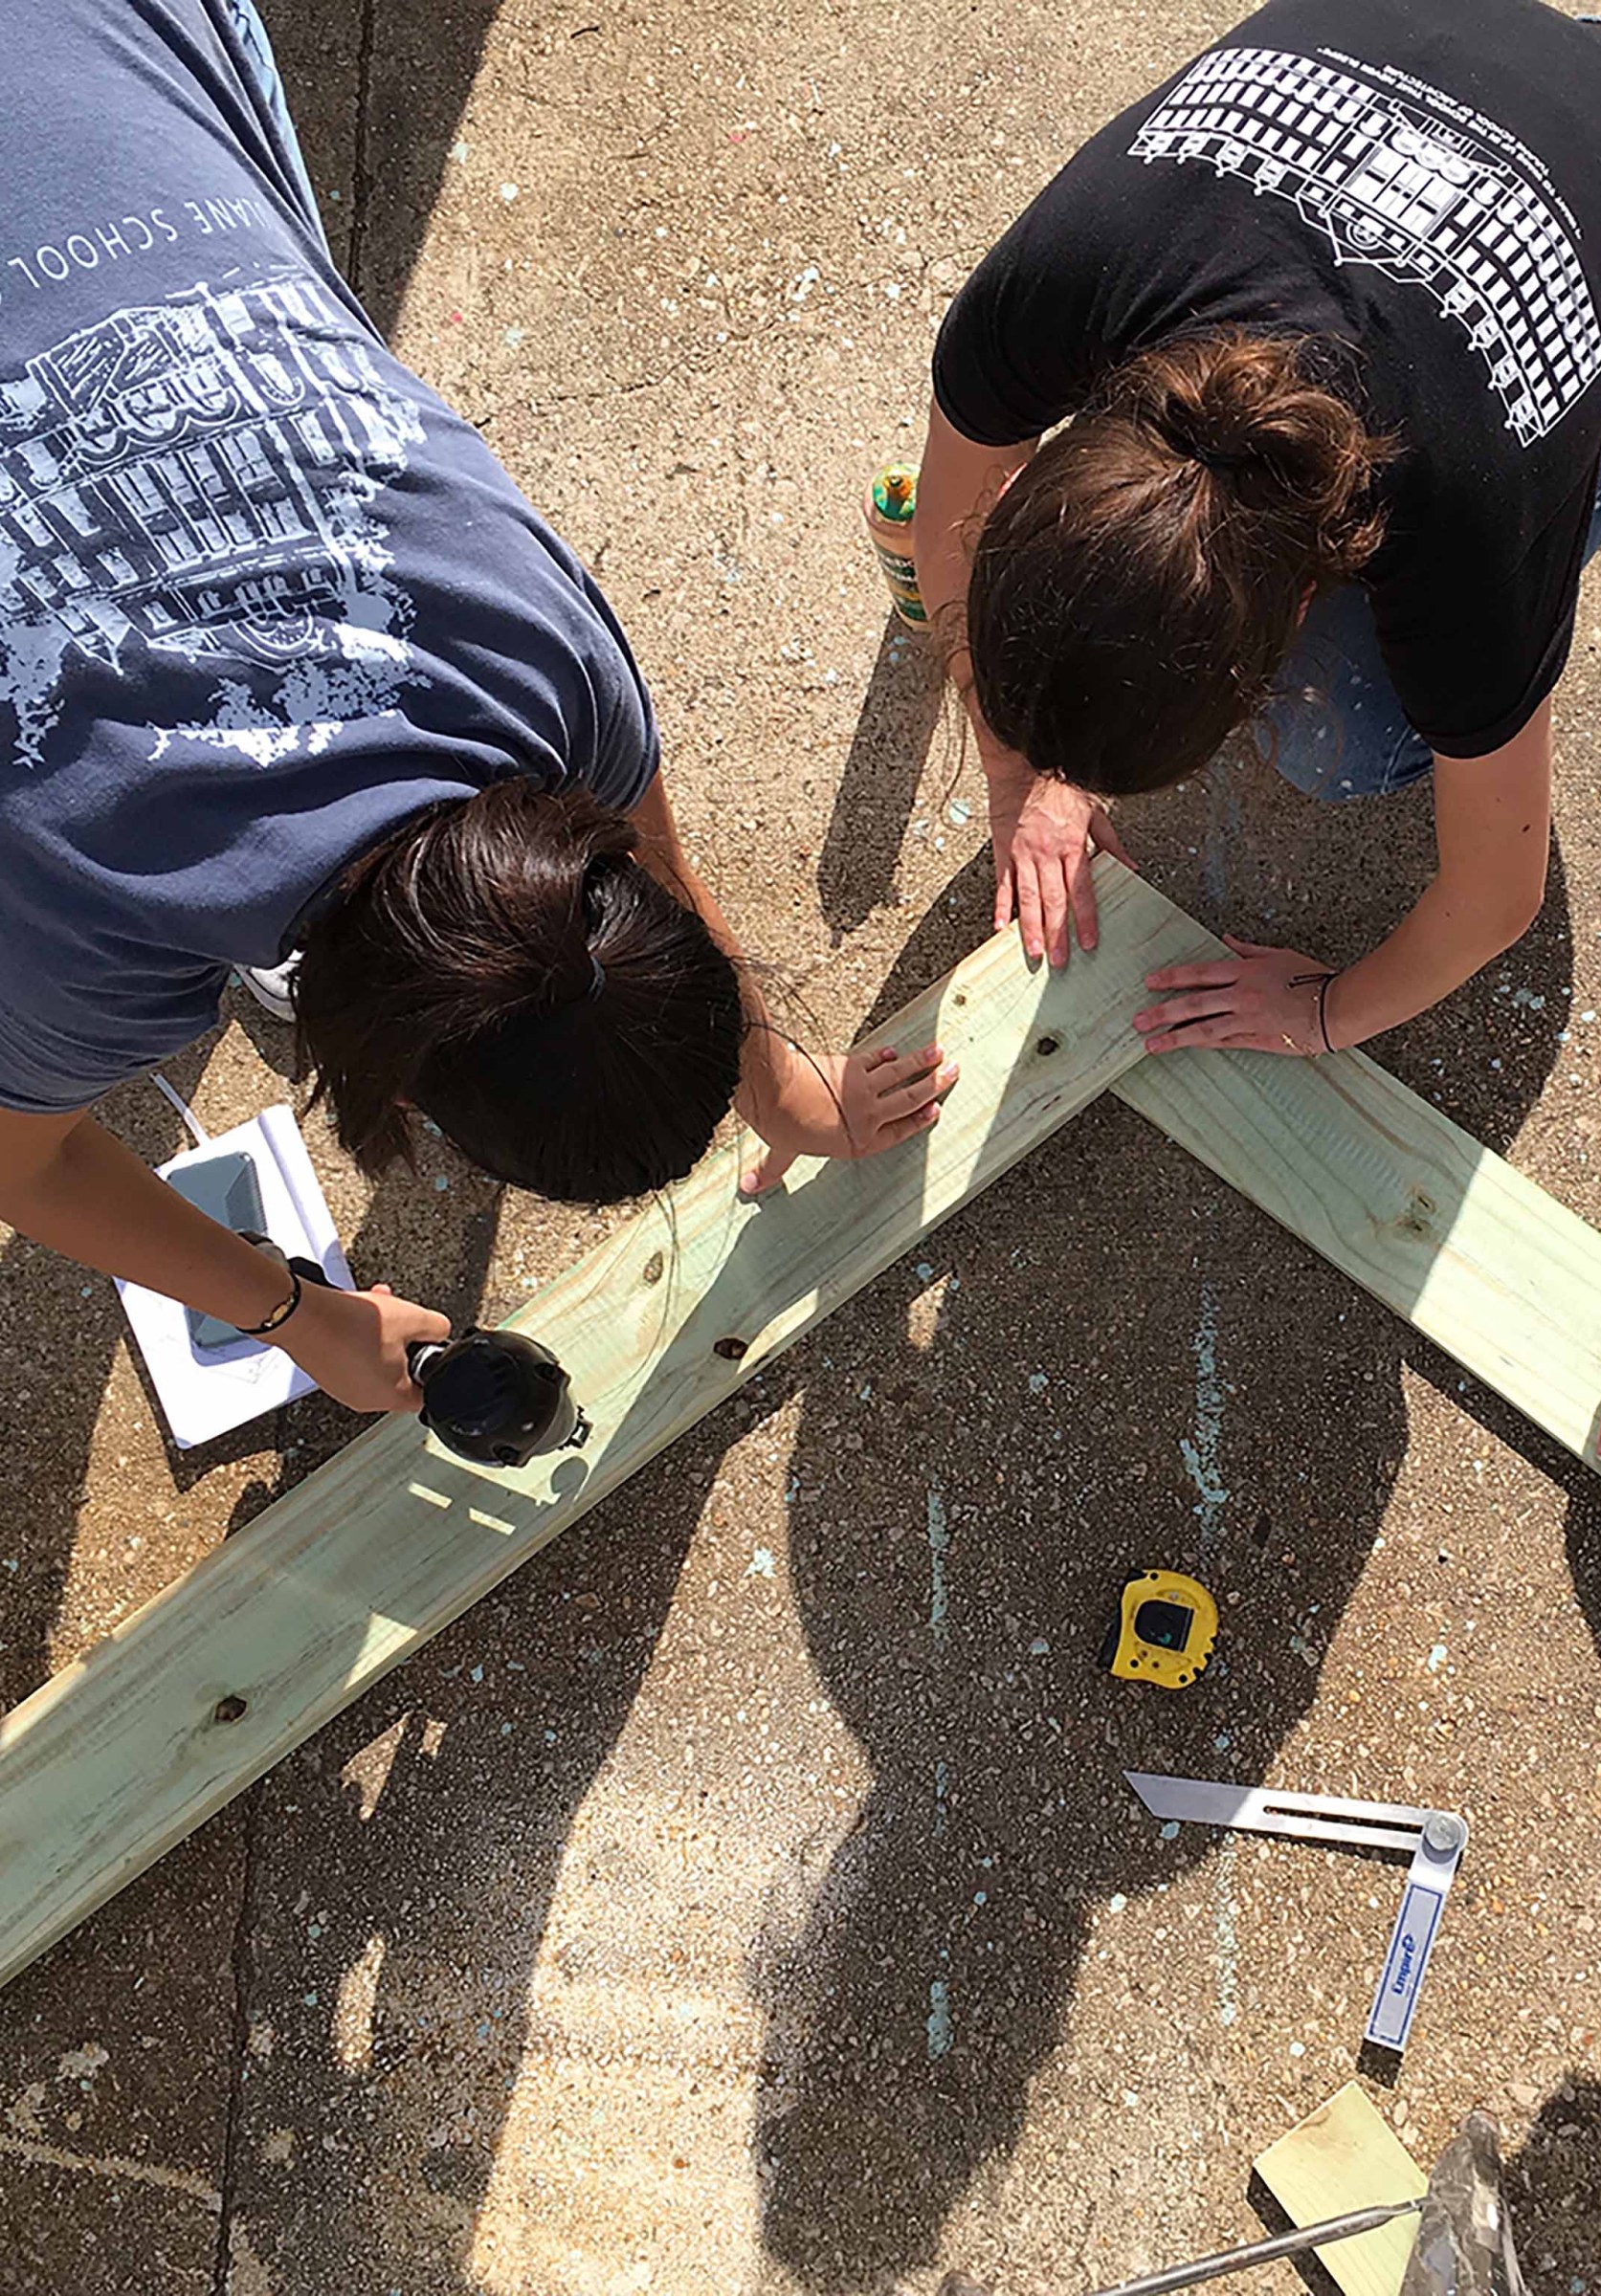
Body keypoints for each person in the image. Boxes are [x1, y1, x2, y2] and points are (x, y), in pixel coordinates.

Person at [0, 0, 953, 1418]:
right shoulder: (70, 926)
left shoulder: (540, 661)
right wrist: (290, 1313)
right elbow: (27, 1163)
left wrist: (776, 1087)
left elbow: (646, 887)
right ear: (384, 1069)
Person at [909, 0, 1601, 1060]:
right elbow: (948, 520)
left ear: (1299, 599)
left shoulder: (1463, 510)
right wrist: (1021, 774)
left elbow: (1497, 892)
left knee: (1340, 737)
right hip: (1438, 42)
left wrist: (1321, 1013)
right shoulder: (1060, 285)